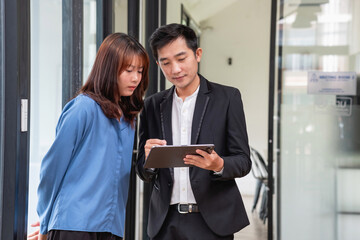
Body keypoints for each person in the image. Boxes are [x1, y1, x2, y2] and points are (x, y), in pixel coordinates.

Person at [135, 23, 252, 240]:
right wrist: (148, 160)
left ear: (197, 54)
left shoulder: (227, 98)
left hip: (212, 222)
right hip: (164, 223)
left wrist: (219, 165)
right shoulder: (152, 105)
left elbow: (244, 160)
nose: (175, 69)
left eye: (181, 59)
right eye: (165, 63)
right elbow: (143, 170)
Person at [30, 32, 149, 240]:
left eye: (140, 71)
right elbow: (52, 169)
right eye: (128, 70)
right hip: (74, 225)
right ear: (109, 69)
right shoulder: (83, 108)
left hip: (111, 226)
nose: (135, 78)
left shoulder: (128, 119)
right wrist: (45, 222)